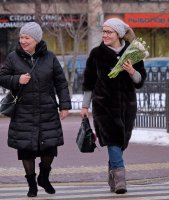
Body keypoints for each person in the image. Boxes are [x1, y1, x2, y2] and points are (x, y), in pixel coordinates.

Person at [0, 22, 71, 197]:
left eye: (27, 38)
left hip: (47, 111)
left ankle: (44, 177)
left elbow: (61, 82)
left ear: (37, 40)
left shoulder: (50, 57)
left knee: (49, 148)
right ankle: (31, 184)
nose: (23, 41)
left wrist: (64, 105)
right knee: (26, 149)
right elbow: (2, 77)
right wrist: (17, 80)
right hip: (23, 111)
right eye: (21, 37)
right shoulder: (12, 57)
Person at [80, 18, 147, 194]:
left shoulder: (133, 52)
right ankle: (120, 180)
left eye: (109, 32)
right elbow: (89, 82)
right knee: (113, 140)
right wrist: (85, 106)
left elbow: (140, 81)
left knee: (121, 142)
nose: (105, 35)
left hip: (127, 106)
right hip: (104, 106)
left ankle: (112, 174)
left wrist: (132, 71)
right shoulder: (96, 54)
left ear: (118, 34)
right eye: (104, 31)